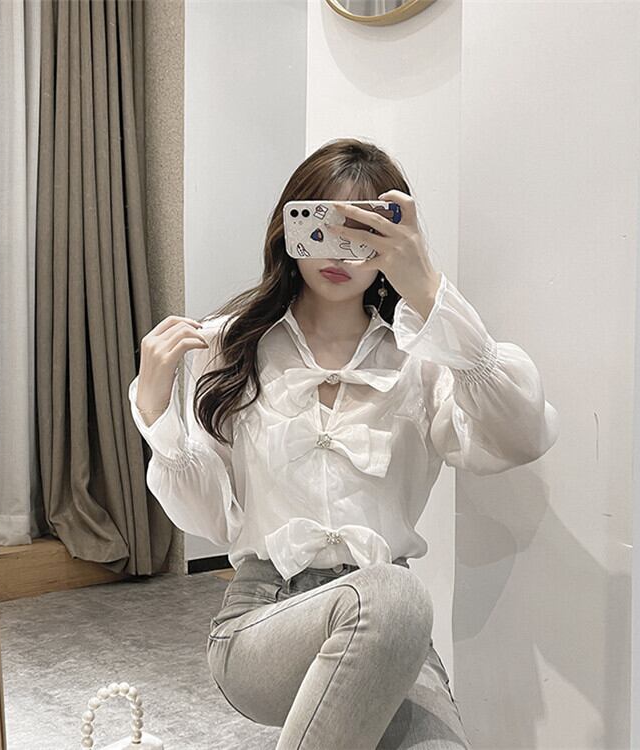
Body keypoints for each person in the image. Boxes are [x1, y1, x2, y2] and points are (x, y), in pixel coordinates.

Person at [128, 137, 560, 749]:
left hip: (392, 629)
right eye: (323, 223)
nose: (339, 251)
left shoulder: (423, 359)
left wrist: (429, 290)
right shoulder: (227, 346)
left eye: (363, 232)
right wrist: (155, 411)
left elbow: (520, 437)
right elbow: (208, 520)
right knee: (396, 594)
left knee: (397, 610)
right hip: (263, 619)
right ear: (290, 228)